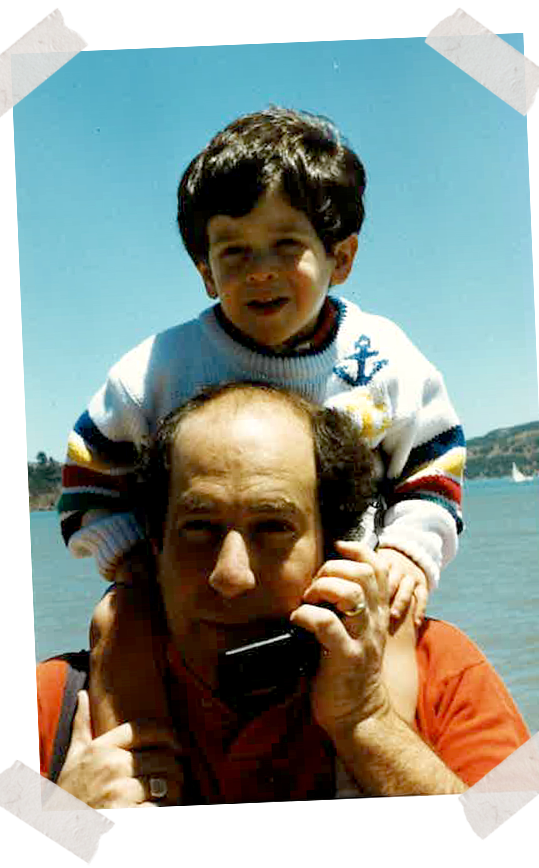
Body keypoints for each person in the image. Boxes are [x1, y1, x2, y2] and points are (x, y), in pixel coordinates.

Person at [57, 106, 466, 739]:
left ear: (343, 255)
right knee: (117, 622)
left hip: (347, 575)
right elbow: (88, 469)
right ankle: (140, 776)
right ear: (204, 269)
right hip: (203, 587)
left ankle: (373, 774)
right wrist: (124, 550)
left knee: (390, 626)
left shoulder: (385, 359)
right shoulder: (162, 367)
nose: (262, 270)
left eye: (287, 245)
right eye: (234, 251)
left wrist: (409, 549)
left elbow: (433, 463)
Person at [42, 383, 528, 809]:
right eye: (199, 528)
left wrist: (369, 724)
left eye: (273, 527)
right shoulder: (57, 708)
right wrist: (55, 836)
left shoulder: (441, 673)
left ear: (333, 548)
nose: (231, 575)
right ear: (154, 545)